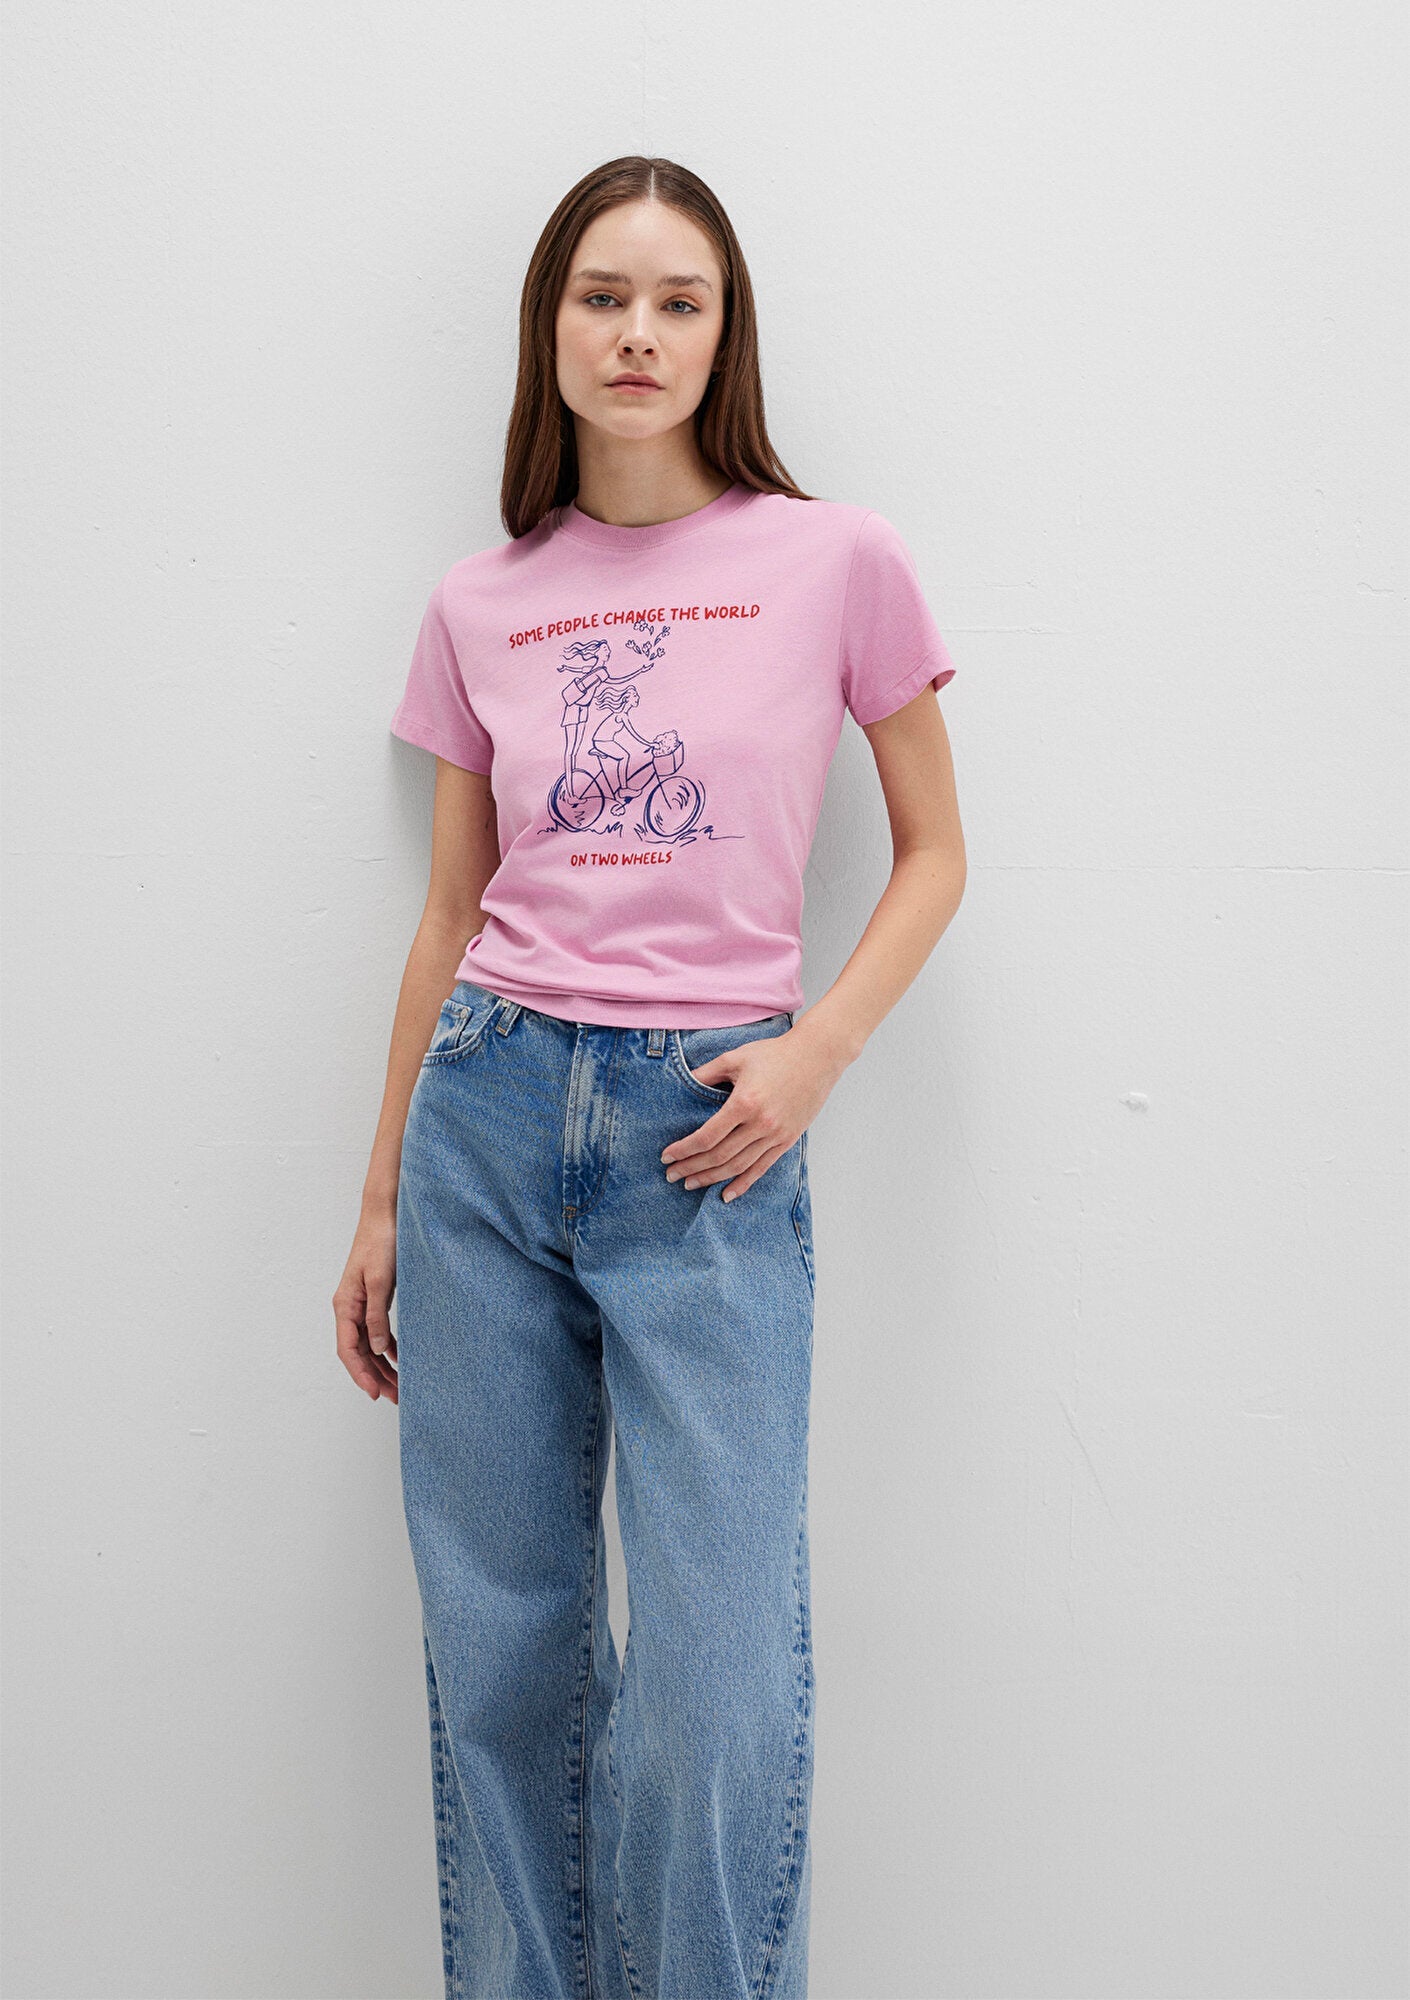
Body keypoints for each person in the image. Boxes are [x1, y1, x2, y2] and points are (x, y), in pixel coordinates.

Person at [333, 154, 967, 2000]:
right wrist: (378, 1199)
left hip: (712, 1132)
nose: (637, 334)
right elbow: (451, 912)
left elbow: (935, 854)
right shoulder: (481, 599)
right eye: (601, 297)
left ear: (722, 334)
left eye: (678, 301)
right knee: (502, 1655)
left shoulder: (832, 559)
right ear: (550, 327)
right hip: (485, 1117)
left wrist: (816, 1053)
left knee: (713, 1671)